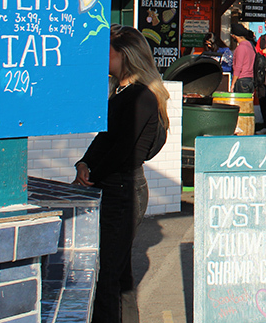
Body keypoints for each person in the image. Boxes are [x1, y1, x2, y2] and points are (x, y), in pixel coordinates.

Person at [74, 25, 169, 323]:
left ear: (125, 55)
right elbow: (104, 139)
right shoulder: (123, 92)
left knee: (108, 274)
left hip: (123, 190)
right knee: (118, 273)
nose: (102, 58)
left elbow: (123, 149)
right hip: (114, 186)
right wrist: (84, 163)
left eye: (108, 52)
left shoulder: (140, 96)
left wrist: (93, 172)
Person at [230, 23, 256, 94]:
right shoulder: (251, 46)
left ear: (235, 36)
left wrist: (232, 84)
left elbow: (238, 67)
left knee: (240, 104)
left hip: (242, 80)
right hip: (251, 80)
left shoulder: (241, 48)